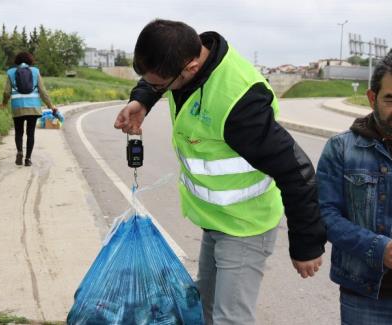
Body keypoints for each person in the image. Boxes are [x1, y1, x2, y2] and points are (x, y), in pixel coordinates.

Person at [113, 19, 326, 325]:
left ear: (191, 67)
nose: (156, 88)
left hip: (245, 225)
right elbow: (155, 78)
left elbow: (297, 171)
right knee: (205, 307)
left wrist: (307, 244)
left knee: (230, 318)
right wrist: (142, 101)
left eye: (160, 85)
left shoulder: (240, 105)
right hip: (215, 220)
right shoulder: (184, 54)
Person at [317, 51, 392, 324]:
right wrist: (379, 248)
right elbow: (326, 215)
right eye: (390, 99)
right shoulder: (340, 149)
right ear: (372, 98)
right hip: (364, 297)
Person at [0, 51, 56, 166]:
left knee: (18, 132)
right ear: (30, 61)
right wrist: (51, 106)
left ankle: (20, 152)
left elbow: (6, 92)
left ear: (17, 61)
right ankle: (28, 159)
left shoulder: (11, 72)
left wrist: (4, 103)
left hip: (18, 107)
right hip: (33, 107)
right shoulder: (35, 71)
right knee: (30, 133)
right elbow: (43, 91)